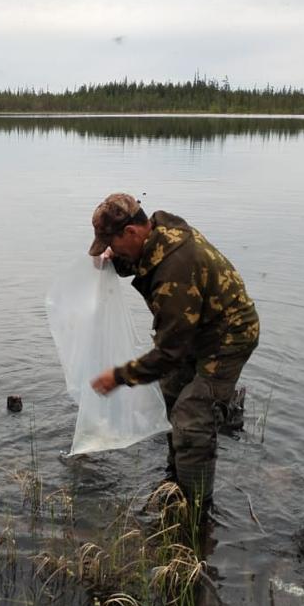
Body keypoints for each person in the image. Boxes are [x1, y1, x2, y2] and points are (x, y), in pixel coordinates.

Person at [88, 193, 259, 511]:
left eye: (112, 241)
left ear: (132, 232)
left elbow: (169, 353)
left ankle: (196, 509)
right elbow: (142, 258)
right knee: (170, 392)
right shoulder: (160, 230)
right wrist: (117, 258)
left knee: (192, 417)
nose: (109, 247)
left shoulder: (175, 271)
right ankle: (175, 479)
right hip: (198, 331)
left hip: (228, 338)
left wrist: (119, 376)